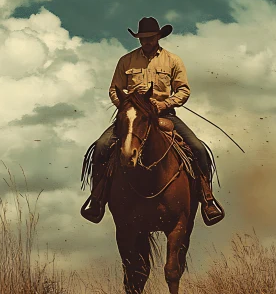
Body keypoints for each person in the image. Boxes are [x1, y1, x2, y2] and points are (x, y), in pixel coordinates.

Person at [80, 16, 225, 226]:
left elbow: (183, 90)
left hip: (164, 114)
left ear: (158, 36)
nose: (146, 41)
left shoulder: (172, 60)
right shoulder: (126, 61)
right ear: (138, 38)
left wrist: (164, 104)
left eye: (150, 37)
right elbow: (114, 89)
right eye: (142, 38)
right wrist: (126, 106)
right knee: (102, 146)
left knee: (198, 148)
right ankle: (97, 198)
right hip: (135, 117)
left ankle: (207, 198)